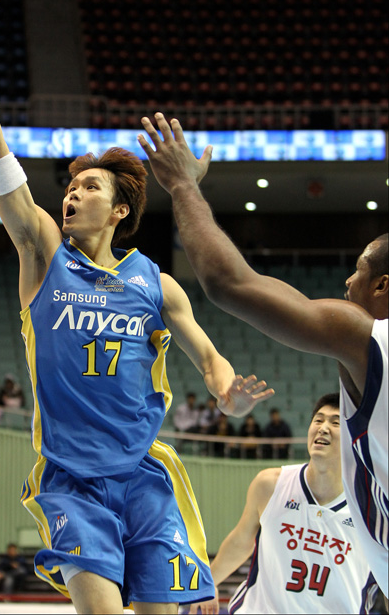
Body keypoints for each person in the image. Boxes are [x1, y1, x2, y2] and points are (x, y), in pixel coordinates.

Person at [0, 0, 274, 615]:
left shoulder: (156, 284)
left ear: (119, 210)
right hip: (72, 479)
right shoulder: (43, 254)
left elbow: (208, 356)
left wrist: (229, 394)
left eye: (89, 187)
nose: (72, 194)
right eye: (69, 187)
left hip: (143, 476)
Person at [139, 113, 388, 598]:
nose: (347, 281)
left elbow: (229, 283)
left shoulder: (370, 339)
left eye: (358, 271)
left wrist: (183, 186)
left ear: (382, 285)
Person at [189, 394, 379, 614]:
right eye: (318, 420)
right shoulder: (271, 485)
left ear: (354, 438)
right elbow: (241, 541)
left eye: (335, 423)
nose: (323, 428)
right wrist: (209, 581)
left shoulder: (370, 508)